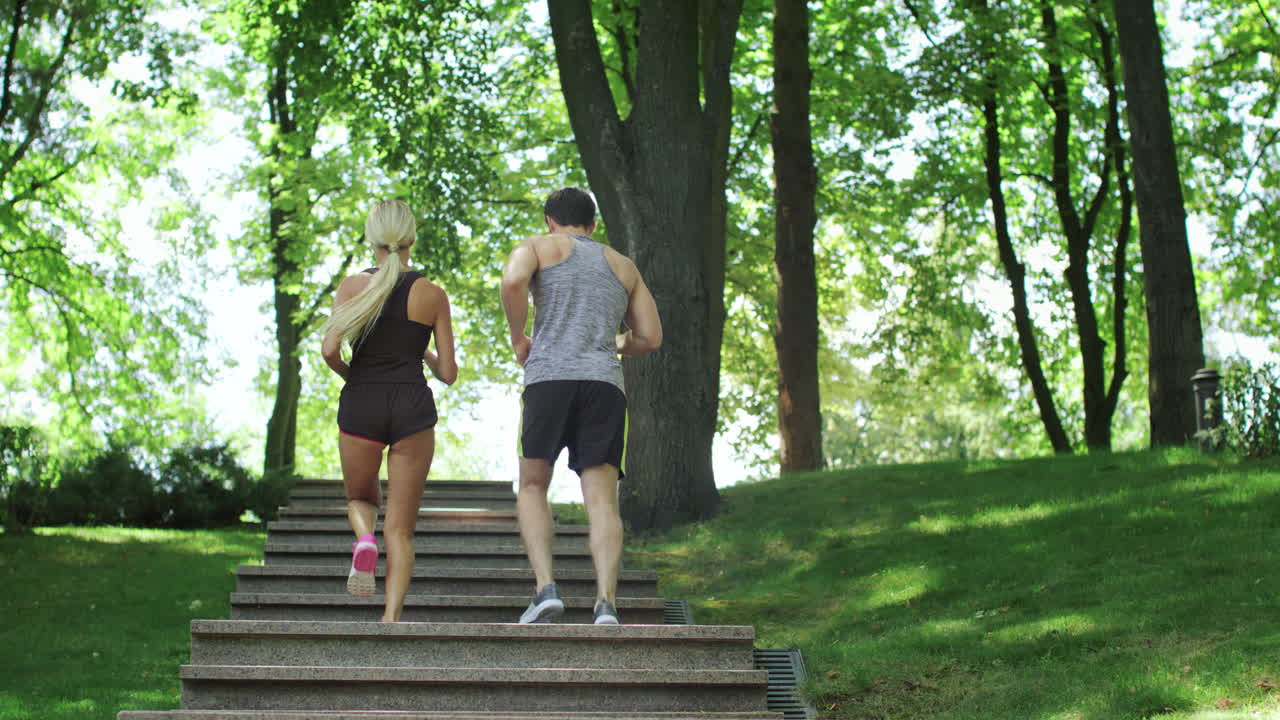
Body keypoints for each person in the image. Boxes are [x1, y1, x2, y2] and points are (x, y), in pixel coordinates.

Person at [500, 186, 662, 625]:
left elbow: (513, 280)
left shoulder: (536, 246)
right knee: (603, 501)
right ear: (593, 225)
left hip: (549, 380)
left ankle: (545, 589)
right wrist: (614, 342)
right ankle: (606, 602)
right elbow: (650, 337)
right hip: (604, 386)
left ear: (550, 220)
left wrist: (519, 338)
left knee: (533, 484)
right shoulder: (623, 265)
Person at [320, 198, 457, 623]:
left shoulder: (350, 288)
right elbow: (449, 374)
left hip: (361, 400)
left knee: (361, 498)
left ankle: (364, 539)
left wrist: (353, 377)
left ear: (372, 239)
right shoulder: (432, 294)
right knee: (400, 528)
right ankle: (391, 619)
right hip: (411, 406)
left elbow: (328, 351)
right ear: (411, 239)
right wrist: (427, 354)